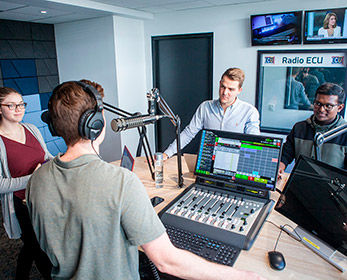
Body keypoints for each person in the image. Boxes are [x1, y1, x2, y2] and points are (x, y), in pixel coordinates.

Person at [26, 80, 265, 280]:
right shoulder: (120, 181)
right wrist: (243, 276)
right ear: (94, 124)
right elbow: (166, 262)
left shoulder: (36, 179)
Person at [0, 87, 53, 279]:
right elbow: (0, 184)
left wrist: (62, 161)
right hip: (21, 203)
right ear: (0, 109)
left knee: (34, 244)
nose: (18, 109)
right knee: (38, 247)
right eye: (11, 105)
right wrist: (33, 178)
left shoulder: (31, 128)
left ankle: (20, 275)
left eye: (21, 104)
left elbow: (46, 156)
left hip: (43, 196)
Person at [164, 68, 260, 159]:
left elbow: (254, 144)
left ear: (239, 90)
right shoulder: (205, 107)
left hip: (233, 163)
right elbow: (189, 133)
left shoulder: (249, 112)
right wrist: (166, 154)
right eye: (223, 87)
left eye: (231, 89)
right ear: (219, 84)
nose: (225, 92)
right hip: (207, 161)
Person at [279, 82, 347, 178]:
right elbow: (285, 155)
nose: (322, 109)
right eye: (318, 104)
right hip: (298, 185)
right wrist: (279, 169)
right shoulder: (299, 128)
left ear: (340, 107)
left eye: (328, 106)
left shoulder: (344, 133)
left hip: (331, 190)